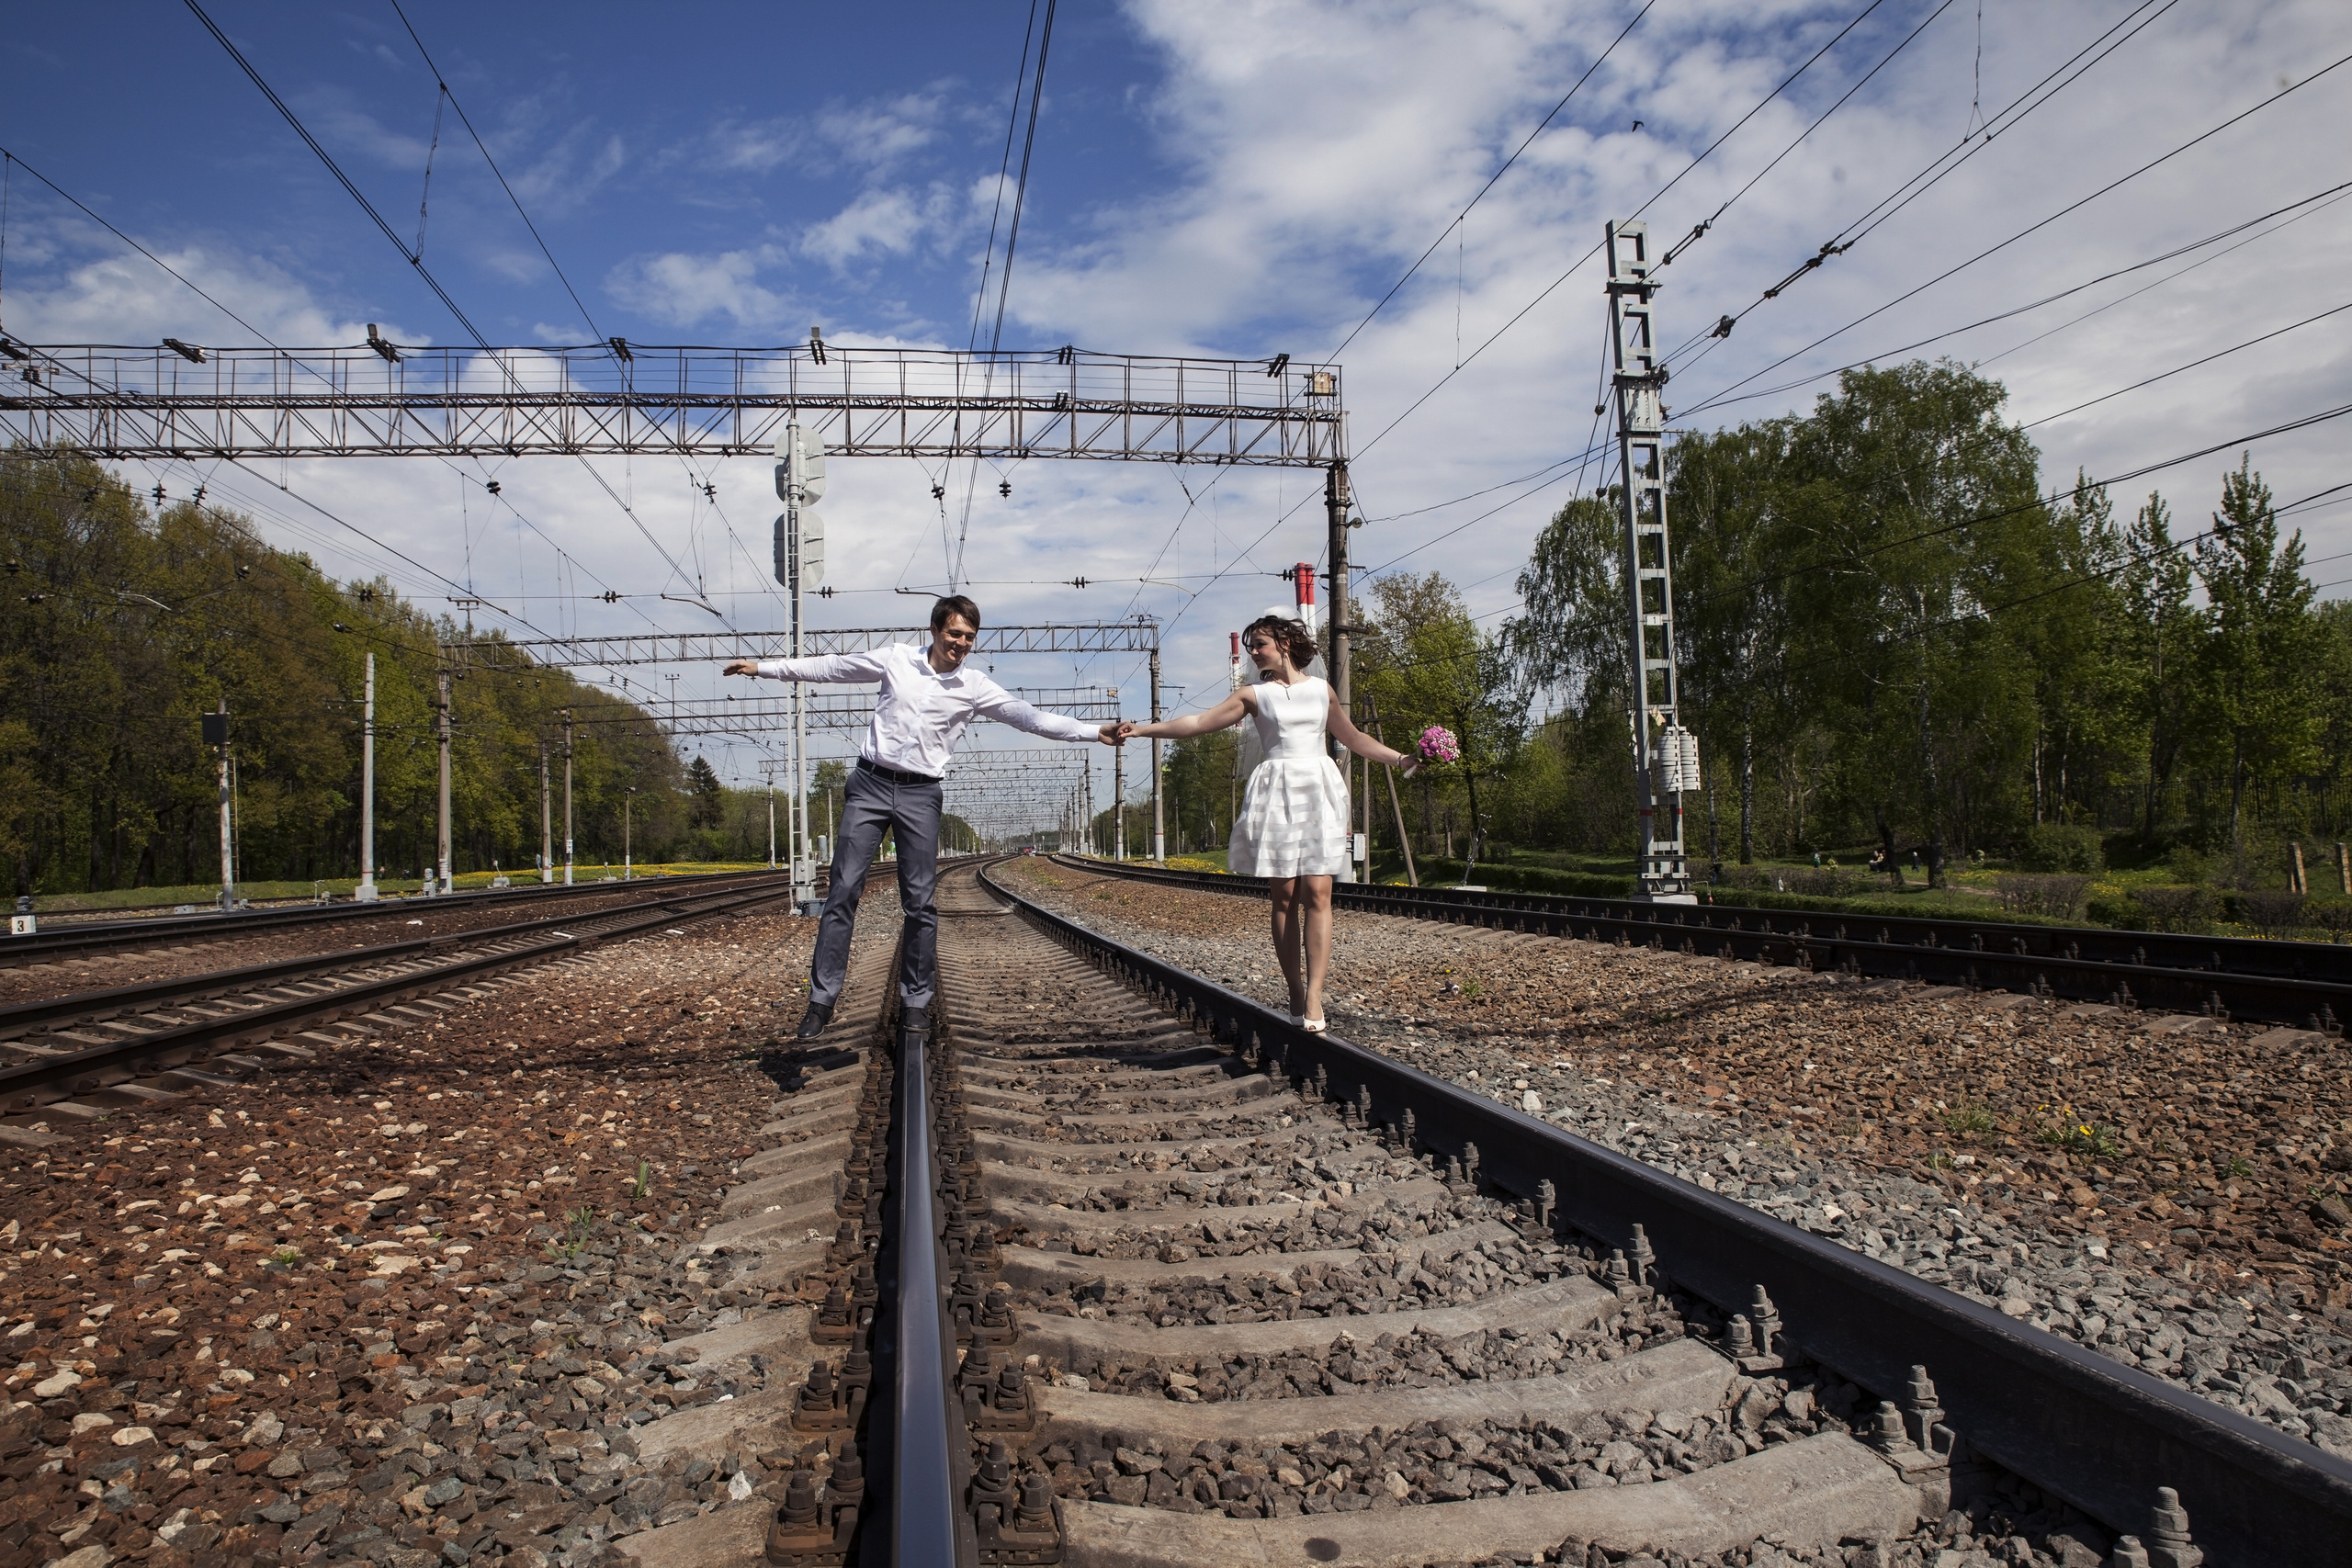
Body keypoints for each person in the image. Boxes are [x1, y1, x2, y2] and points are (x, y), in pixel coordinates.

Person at [725, 595, 1125, 1038]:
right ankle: (821, 1000)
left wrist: (1093, 732)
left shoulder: (974, 686)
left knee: (920, 904)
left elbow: (1029, 718)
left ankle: (916, 1002)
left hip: (920, 794)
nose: (961, 644)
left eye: (970, 637)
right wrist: (763, 668)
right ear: (934, 630)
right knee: (842, 891)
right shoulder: (897, 659)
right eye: (954, 634)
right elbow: (834, 667)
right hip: (870, 786)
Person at [1121, 614, 1418, 1032]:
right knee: (1286, 896)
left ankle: (1314, 995)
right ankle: (1294, 988)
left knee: (1319, 892)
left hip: (1317, 789)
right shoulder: (1253, 695)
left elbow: (1352, 738)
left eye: (1260, 644)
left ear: (1285, 643)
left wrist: (1401, 758)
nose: (1253, 652)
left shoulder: (1321, 690)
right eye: (1251, 646)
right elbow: (1197, 724)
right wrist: (1141, 730)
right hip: (1276, 791)